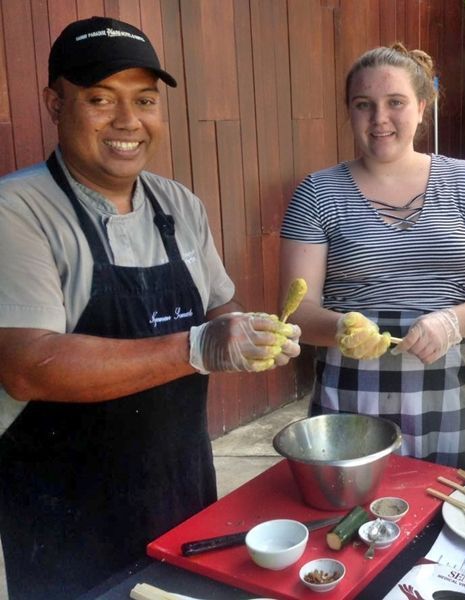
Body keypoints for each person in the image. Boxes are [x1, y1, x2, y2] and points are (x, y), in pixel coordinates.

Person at [0, 16, 301, 599]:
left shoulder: (178, 204)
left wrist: (247, 332)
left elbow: (220, 305)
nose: (127, 121)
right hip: (64, 509)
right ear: (54, 103)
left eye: (144, 99)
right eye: (99, 98)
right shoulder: (18, 211)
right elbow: (25, 365)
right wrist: (197, 347)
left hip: (179, 482)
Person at [279, 43, 465, 480]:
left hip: (451, 393)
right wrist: (342, 329)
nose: (380, 119)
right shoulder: (316, 193)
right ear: (349, 112)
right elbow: (296, 311)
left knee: (455, 526)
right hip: (352, 398)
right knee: (356, 531)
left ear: (422, 107)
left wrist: (451, 322)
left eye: (395, 103)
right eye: (363, 105)